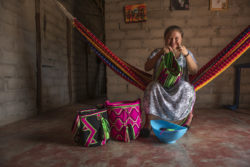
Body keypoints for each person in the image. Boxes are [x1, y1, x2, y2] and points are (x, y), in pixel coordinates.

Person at [141, 25, 198, 137]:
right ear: (164, 39)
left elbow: (194, 71)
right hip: (161, 86)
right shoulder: (158, 52)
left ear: (181, 39)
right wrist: (159, 54)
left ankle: (189, 118)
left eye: (176, 38)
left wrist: (186, 54)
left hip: (179, 87)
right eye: (169, 38)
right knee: (152, 87)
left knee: (188, 88)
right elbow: (147, 67)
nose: (173, 41)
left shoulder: (186, 53)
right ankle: (147, 123)